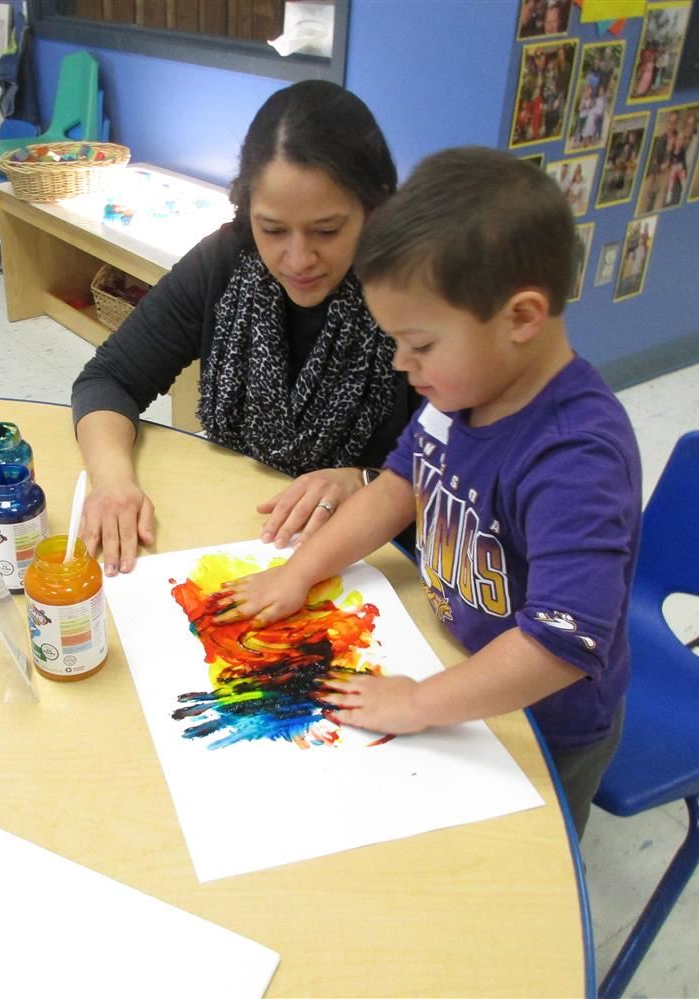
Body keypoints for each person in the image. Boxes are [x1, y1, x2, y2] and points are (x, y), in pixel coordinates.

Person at [215, 148, 642, 838]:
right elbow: (396, 489)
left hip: (541, 723)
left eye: (417, 343)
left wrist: (417, 701)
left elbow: (558, 647)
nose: (399, 363)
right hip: (457, 660)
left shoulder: (575, 457)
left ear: (522, 316)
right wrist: (300, 570)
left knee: (508, 870)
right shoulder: (462, 392)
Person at [71, 81, 415, 574]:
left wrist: (366, 480)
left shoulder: (419, 293)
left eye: (327, 231)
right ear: (246, 208)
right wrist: (113, 483)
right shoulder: (227, 262)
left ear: (374, 209)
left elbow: (470, 471)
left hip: (376, 561)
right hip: (244, 539)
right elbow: (109, 379)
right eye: (273, 229)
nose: (298, 259)